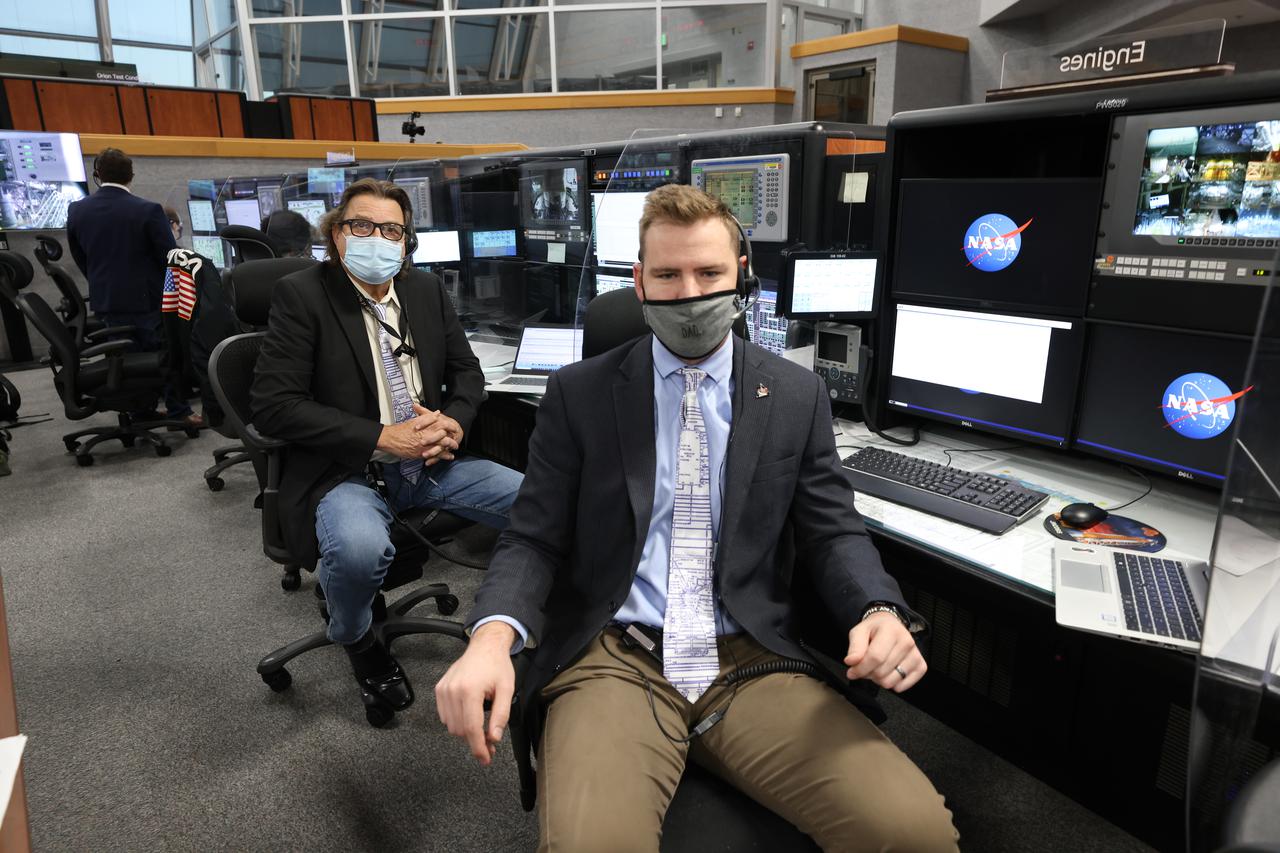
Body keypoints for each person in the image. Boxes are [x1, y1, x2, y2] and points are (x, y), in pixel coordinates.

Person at [435, 184, 959, 852]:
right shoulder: (580, 393)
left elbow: (832, 529)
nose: (689, 294)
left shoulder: (795, 393)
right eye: (668, 275)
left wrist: (877, 608)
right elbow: (533, 537)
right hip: (617, 652)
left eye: (709, 273)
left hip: (749, 655)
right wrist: (490, 638)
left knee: (914, 833)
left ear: (741, 273)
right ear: (639, 282)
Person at [250, 178, 523, 712]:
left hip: (432, 462)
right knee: (359, 552)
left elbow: (468, 373)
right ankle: (356, 638)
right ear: (337, 234)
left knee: (537, 502)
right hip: (348, 471)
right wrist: (381, 437)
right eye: (362, 225)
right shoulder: (303, 295)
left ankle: (515, 624)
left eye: (391, 230)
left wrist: (454, 422)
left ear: (406, 241)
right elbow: (274, 406)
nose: (378, 238)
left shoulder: (424, 290)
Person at [66, 148, 176, 353]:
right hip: (147, 303)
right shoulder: (149, 210)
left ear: (97, 175)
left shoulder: (77, 210)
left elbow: (80, 256)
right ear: (131, 175)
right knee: (156, 358)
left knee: (118, 356)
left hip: (105, 301)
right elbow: (170, 258)